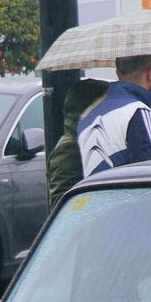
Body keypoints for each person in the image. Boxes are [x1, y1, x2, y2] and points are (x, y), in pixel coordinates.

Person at [78, 54, 151, 178]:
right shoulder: (138, 112)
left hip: (96, 196)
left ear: (118, 72)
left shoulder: (88, 117)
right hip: (130, 197)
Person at [45, 78, 110, 208]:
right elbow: (63, 204)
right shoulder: (70, 148)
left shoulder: (89, 139)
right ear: (89, 109)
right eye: (104, 105)